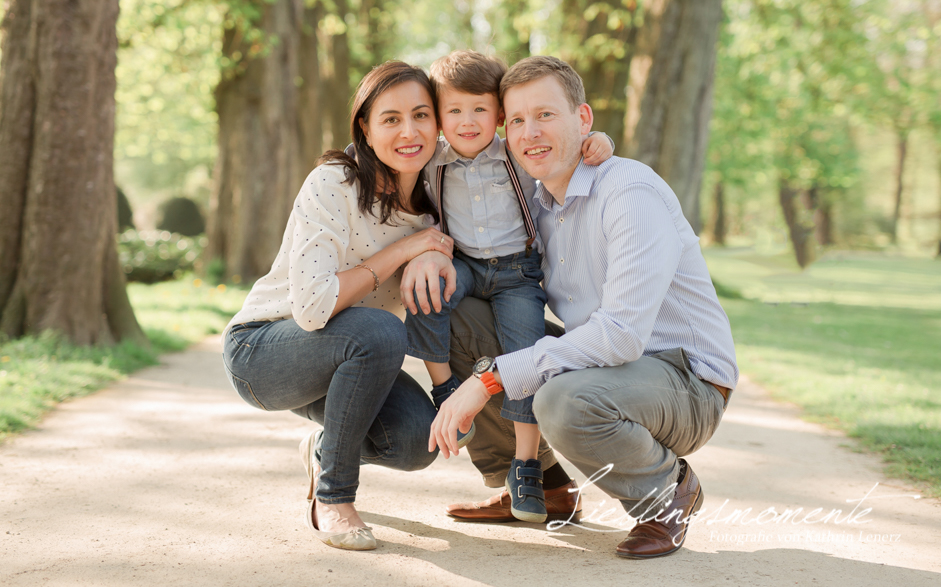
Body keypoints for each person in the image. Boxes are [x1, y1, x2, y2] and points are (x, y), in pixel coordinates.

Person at [418, 55, 738, 559]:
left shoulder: (628, 192)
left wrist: (490, 379)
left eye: (545, 114)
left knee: (562, 400)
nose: (529, 132)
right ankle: (542, 485)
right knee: (458, 315)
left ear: (583, 119)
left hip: (685, 380)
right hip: (612, 369)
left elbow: (621, 336)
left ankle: (666, 495)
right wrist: (424, 256)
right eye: (517, 119)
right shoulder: (540, 203)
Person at [221, 61, 455, 552]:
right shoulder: (335, 182)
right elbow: (312, 309)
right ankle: (334, 498)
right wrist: (403, 251)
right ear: (365, 131)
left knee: (416, 440)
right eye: (390, 119)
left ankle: (324, 450)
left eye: (421, 115)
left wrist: (592, 144)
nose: (409, 131)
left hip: (350, 363)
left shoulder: (441, 198)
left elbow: (507, 152)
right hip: (264, 351)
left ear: (439, 123)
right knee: (377, 331)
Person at [402, 50, 613, 523]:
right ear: (438, 117)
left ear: (499, 114)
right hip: (466, 268)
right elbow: (379, 155)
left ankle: (525, 465)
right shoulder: (432, 161)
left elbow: (564, 146)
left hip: (517, 273)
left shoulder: (516, 153)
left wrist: (597, 139)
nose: (467, 121)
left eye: (479, 109)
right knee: (423, 293)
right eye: (453, 110)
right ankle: (444, 390)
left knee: (523, 353)